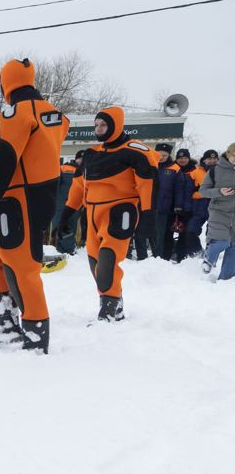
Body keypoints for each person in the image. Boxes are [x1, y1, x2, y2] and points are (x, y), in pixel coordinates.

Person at [0, 58, 69, 353]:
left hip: (15, 203)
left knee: (23, 271)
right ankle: (8, 325)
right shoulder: (56, 115)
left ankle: (36, 342)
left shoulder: (15, 114)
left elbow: (4, 167)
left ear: (6, 82)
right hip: (31, 202)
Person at [56, 107, 158, 322]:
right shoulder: (92, 153)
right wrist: (65, 216)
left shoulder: (136, 151)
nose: (99, 129)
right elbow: (77, 187)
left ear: (115, 125)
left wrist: (148, 217)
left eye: (103, 125)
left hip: (120, 212)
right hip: (92, 214)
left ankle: (109, 311)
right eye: (96, 125)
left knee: (107, 260)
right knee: (95, 262)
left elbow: (149, 185)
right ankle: (115, 302)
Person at [199, 143, 235, 280]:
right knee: (222, 242)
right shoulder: (215, 171)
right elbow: (203, 191)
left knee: (233, 248)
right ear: (228, 154)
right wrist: (219, 192)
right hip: (219, 211)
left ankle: (225, 280)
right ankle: (209, 258)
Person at [165, 149, 204, 261]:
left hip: (188, 207)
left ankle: (181, 255)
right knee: (168, 231)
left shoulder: (195, 170)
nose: (183, 160)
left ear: (189, 158)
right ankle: (168, 253)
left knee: (184, 232)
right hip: (171, 205)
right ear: (176, 159)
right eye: (180, 158)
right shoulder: (172, 169)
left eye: (185, 158)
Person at [187, 149, 221, 256]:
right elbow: (188, 191)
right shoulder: (195, 172)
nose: (212, 161)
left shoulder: (224, 173)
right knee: (190, 230)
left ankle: (209, 255)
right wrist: (202, 194)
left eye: (214, 159)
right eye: (209, 159)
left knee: (212, 234)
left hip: (216, 207)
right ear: (204, 160)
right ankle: (197, 251)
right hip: (199, 207)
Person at [52, 152, 84, 250]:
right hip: (62, 207)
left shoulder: (83, 172)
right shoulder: (64, 168)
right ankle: (68, 252)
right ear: (76, 159)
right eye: (81, 159)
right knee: (65, 230)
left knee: (68, 230)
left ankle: (64, 252)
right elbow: (54, 187)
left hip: (74, 208)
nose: (83, 161)